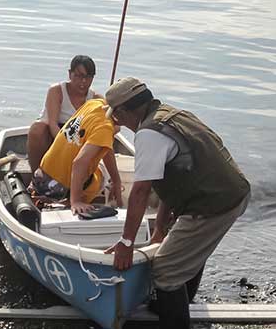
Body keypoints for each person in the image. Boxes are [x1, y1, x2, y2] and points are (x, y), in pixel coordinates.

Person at [103, 77, 251, 329]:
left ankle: (175, 320)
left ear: (125, 111)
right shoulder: (172, 115)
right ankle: (174, 302)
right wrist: (160, 228)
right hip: (231, 190)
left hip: (213, 203)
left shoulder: (149, 134)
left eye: (116, 116)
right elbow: (170, 183)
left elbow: (140, 192)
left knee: (166, 270)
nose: (117, 122)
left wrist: (126, 243)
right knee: (187, 253)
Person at [35, 98, 124, 214]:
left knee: (96, 163)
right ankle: (67, 203)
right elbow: (79, 162)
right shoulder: (105, 128)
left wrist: (117, 181)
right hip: (57, 188)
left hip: (41, 176)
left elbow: (106, 148)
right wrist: (75, 201)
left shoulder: (94, 103)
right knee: (100, 177)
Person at [27, 55, 102, 173]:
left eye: (88, 77)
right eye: (78, 76)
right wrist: (67, 147)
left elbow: (112, 125)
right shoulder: (57, 91)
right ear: (70, 74)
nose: (83, 82)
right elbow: (52, 124)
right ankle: (36, 174)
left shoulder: (96, 99)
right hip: (55, 137)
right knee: (37, 128)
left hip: (79, 140)